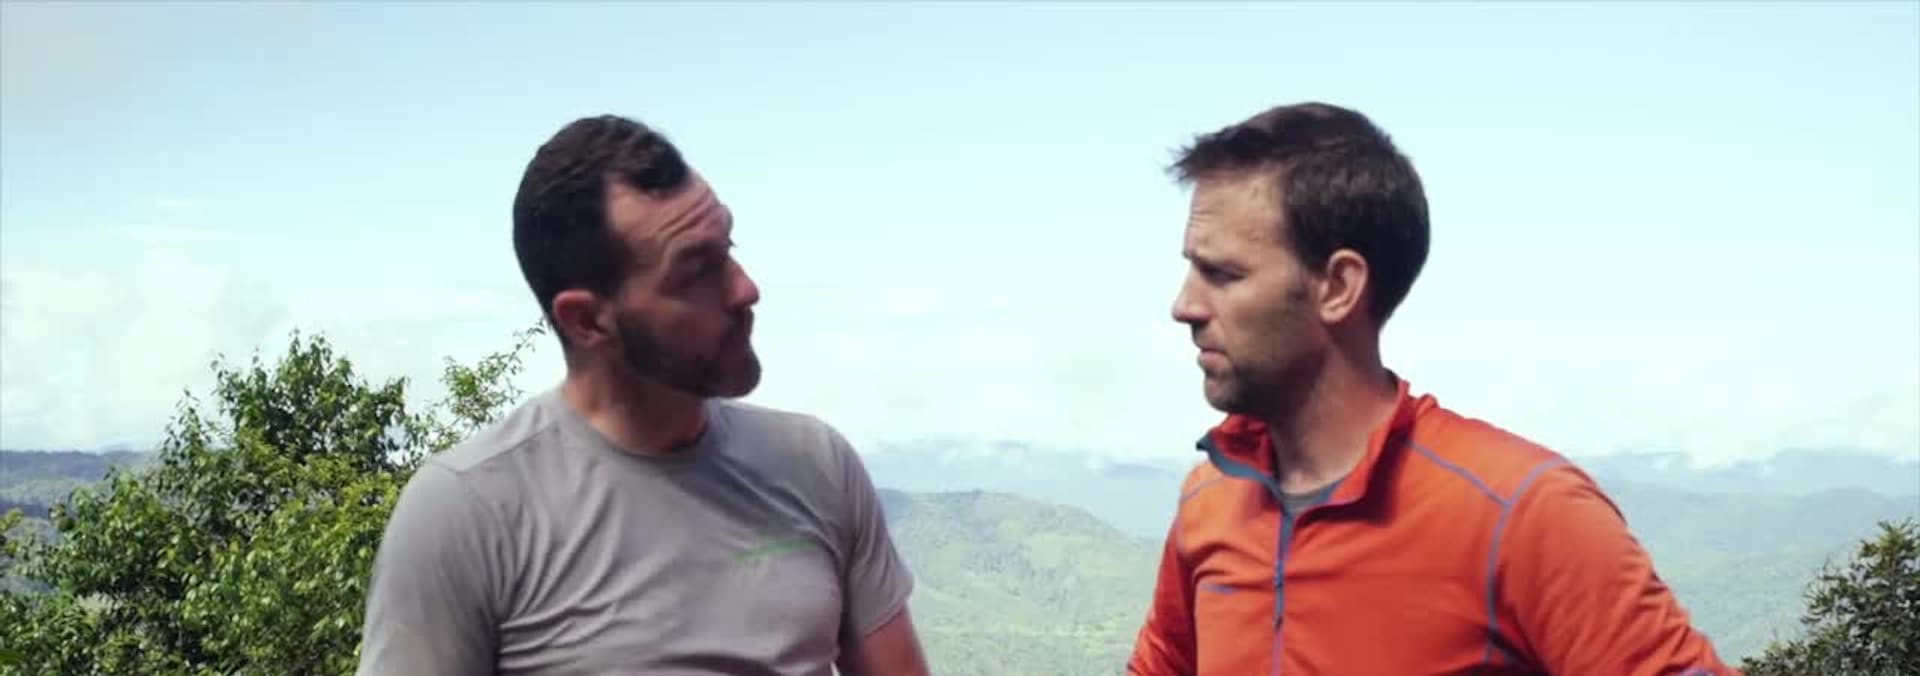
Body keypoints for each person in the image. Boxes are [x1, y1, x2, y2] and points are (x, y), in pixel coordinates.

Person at [1126, 102, 1737, 675]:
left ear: (1338, 287)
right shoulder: (1210, 499)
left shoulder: (1522, 512)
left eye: (1222, 274)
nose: (1185, 306)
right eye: (1191, 268)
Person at [356, 114, 929, 676]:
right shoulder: (468, 511)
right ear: (587, 321)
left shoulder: (816, 464)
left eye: (727, 247)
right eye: (695, 272)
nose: (744, 289)